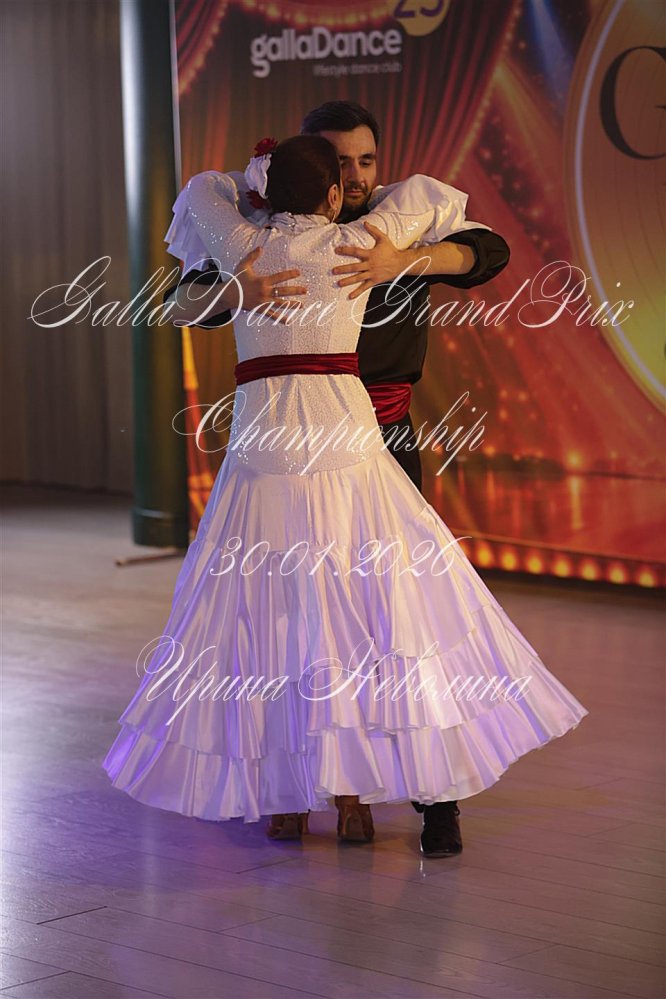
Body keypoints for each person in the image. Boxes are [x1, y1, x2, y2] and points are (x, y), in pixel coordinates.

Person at [104, 134, 587, 858]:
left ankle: (288, 793)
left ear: (269, 187)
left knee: (269, 611)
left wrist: (251, 212)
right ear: (333, 193)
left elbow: (203, 186)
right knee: (371, 609)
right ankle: (353, 794)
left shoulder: (243, 244)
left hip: (266, 449)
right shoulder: (362, 241)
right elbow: (432, 196)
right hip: (348, 447)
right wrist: (395, 250)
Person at [163, 101, 510, 854]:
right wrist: (233, 289)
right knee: (290, 612)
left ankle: (434, 797)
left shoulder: (357, 231)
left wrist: (405, 261)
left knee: (397, 615)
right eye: (340, 162)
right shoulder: (288, 235)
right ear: (321, 173)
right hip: (323, 443)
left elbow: (488, 251)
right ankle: (303, 782)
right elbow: (178, 302)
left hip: (375, 444)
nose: (355, 174)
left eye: (365, 161)